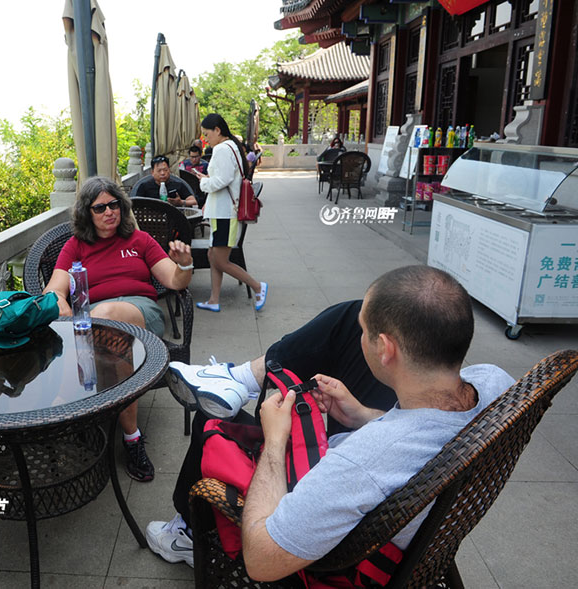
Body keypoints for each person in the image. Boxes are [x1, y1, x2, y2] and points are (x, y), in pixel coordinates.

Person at [146, 265, 514, 580]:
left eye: (363, 331)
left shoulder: (360, 463)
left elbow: (261, 560)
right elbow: (423, 434)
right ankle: (236, 378)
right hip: (401, 506)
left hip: (333, 551)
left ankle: (191, 534)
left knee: (211, 426)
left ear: (385, 349)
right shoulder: (496, 383)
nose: (359, 338)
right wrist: (362, 416)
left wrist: (275, 442)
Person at [43, 176, 194, 483]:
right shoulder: (75, 246)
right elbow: (53, 291)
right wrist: (61, 303)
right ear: (87, 213)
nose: (109, 212)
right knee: (109, 339)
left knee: (106, 315)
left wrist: (185, 265)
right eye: (100, 208)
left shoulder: (139, 241)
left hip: (141, 314)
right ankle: (132, 437)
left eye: (114, 205)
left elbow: (175, 282)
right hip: (96, 328)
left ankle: (70, 405)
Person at [190, 113, 267, 313]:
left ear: (217, 130)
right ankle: (214, 299)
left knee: (220, 259)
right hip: (222, 211)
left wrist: (203, 182)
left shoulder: (222, 149)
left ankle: (257, 286)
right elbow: (224, 179)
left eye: (207, 134)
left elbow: (220, 181)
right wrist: (208, 180)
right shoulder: (230, 147)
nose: (206, 139)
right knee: (212, 255)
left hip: (225, 214)